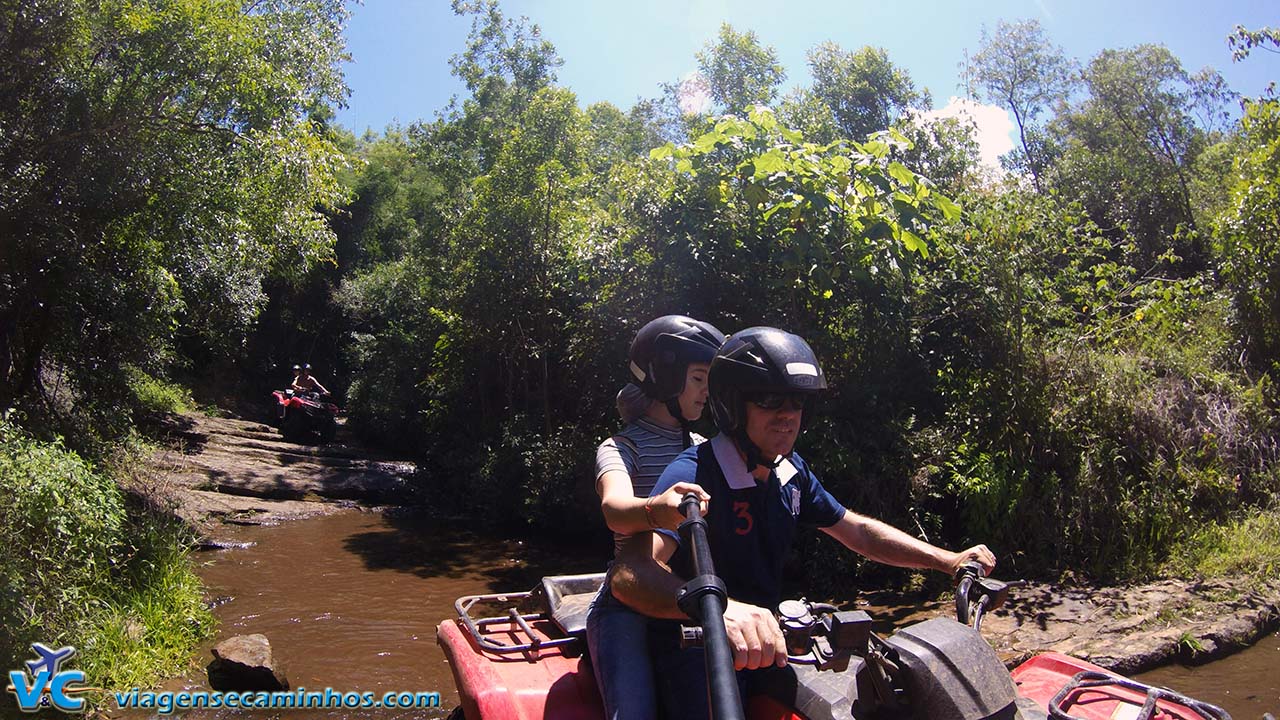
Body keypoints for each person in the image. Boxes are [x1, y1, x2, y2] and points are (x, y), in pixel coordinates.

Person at [608, 326, 997, 720]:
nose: (787, 415)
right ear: (731, 403)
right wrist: (716, 611)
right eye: (769, 400)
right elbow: (630, 573)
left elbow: (857, 530)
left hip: (767, 641)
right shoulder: (695, 473)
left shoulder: (789, 472)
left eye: (796, 402)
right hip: (695, 646)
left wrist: (947, 559)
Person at [586, 314, 725, 720]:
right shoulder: (619, 446)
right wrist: (656, 509)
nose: (707, 392)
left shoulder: (704, 447)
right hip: (627, 601)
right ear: (665, 378)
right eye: (699, 378)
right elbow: (614, 509)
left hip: (692, 592)